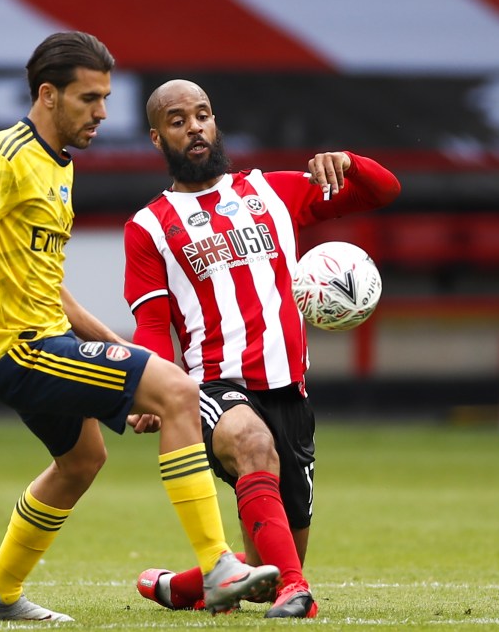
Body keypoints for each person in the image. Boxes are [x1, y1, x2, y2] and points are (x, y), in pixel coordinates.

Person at [0, 33, 279, 622]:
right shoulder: (6, 155)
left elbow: (53, 291)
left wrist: (121, 353)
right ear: (48, 95)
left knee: (82, 460)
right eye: (90, 98)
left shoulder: (58, 167)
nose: (103, 113)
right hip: (19, 350)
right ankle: (219, 565)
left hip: (46, 340)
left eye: (105, 97)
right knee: (178, 392)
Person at [124, 79, 401, 618]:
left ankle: (180, 586)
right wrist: (153, 388)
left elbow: (383, 191)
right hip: (214, 386)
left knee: (266, 570)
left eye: (202, 115)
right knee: (252, 445)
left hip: (290, 393)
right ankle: (301, 594)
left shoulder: (271, 191)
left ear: (215, 121)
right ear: (157, 139)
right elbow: (153, 324)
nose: (195, 127)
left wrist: (349, 161)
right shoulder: (148, 227)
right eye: (178, 121)